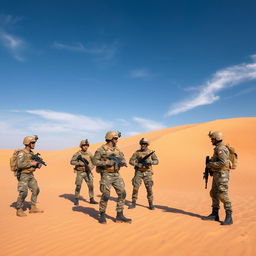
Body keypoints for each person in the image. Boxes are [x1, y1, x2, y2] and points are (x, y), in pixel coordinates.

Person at [93, 131, 131, 224]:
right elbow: (94, 161)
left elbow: (122, 158)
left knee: (123, 193)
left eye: (117, 138)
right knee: (106, 195)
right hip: (106, 174)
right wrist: (106, 163)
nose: (117, 140)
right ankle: (102, 214)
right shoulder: (101, 149)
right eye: (116, 138)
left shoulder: (117, 149)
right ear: (110, 138)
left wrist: (122, 162)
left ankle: (119, 215)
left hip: (116, 174)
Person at [202, 131, 233, 225]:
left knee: (223, 195)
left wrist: (210, 164)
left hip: (222, 175)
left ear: (216, 139)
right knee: (214, 193)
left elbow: (223, 162)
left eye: (212, 139)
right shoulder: (217, 148)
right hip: (217, 175)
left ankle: (229, 216)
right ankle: (215, 214)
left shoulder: (221, 149)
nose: (211, 140)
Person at [15, 136, 44, 217]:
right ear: (28, 143)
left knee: (36, 189)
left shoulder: (31, 153)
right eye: (33, 143)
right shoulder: (22, 153)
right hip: (23, 175)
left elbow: (32, 163)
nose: (34, 144)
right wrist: (32, 163)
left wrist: (37, 165)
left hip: (30, 174)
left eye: (34, 143)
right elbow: (19, 164)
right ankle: (19, 209)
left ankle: (33, 207)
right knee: (23, 192)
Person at [128, 138, 159, 210]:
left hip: (147, 173)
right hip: (138, 172)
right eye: (142, 144)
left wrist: (150, 162)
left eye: (144, 144)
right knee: (135, 188)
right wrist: (136, 164)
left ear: (147, 145)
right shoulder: (137, 152)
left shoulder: (151, 152)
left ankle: (151, 204)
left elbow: (157, 161)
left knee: (149, 188)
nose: (143, 145)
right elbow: (130, 161)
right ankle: (133, 202)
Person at [70, 139, 98, 205]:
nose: (86, 147)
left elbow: (94, 162)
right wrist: (79, 163)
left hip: (88, 172)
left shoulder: (90, 153)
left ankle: (91, 199)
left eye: (87, 145)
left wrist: (92, 167)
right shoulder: (77, 154)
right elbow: (71, 162)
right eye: (84, 145)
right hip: (80, 172)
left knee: (91, 186)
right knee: (78, 186)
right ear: (81, 146)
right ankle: (76, 199)